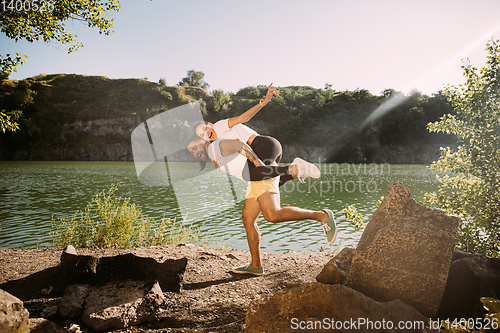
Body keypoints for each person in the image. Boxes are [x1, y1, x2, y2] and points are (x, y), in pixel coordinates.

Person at [186, 135, 337, 276]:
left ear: (202, 140)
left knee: (272, 215)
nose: (194, 153)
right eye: (191, 152)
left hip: (260, 175)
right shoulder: (214, 153)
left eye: (194, 148)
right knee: (248, 219)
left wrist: (258, 164)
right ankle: (256, 265)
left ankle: (322, 216)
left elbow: (238, 144)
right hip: (254, 181)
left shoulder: (215, 146)